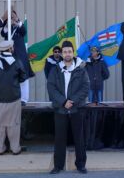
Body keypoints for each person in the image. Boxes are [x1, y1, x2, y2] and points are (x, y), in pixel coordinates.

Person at [47, 41, 89, 174]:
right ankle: (58, 165)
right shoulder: (55, 69)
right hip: (60, 109)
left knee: (79, 138)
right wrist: (63, 102)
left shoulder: (81, 69)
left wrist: (73, 101)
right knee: (60, 138)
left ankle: (81, 164)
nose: (67, 54)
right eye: (64, 52)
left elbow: (85, 87)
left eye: (69, 51)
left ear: (73, 53)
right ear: (61, 54)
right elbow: (51, 87)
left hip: (77, 108)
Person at [0, 40, 27, 155]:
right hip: (13, 97)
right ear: (11, 49)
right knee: (14, 125)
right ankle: (15, 148)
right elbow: (23, 77)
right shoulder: (16, 62)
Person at [1, 11, 34, 105]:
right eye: (10, 17)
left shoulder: (19, 27)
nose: (11, 19)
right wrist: (7, 24)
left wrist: (17, 20)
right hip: (9, 55)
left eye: (13, 17)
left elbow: (24, 31)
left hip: (21, 55)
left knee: (24, 77)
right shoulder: (7, 28)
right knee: (10, 76)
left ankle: (24, 99)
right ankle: (11, 97)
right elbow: (3, 33)